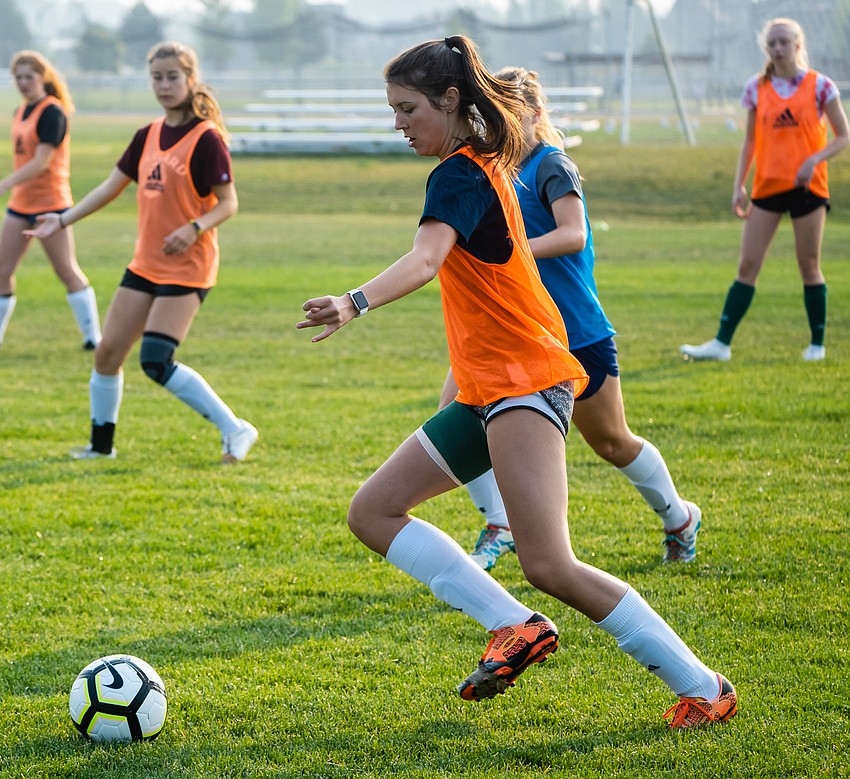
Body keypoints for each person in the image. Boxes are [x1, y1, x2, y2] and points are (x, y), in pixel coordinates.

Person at [297, 36, 735, 728]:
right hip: (487, 389)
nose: (399, 124)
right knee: (373, 510)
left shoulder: (460, 174)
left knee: (552, 564)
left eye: (408, 109)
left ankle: (706, 685)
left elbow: (424, 257)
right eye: (392, 110)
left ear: (450, 101)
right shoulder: (480, 160)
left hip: (525, 381)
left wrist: (354, 301)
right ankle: (515, 625)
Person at [439, 67, 699, 571]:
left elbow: (573, 233)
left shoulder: (550, 164)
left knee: (610, 441)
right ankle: (500, 523)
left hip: (573, 331)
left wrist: (510, 254)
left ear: (535, 114)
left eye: (512, 112)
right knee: (453, 412)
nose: (501, 124)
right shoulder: (489, 166)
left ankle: (679, 517)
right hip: (511, 331)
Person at [25, 42, 257, 463]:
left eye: (172, 77)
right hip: (146, 264)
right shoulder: (147, 135)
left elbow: (229, 203)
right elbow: (108, 188)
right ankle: (101, 448)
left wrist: (194, 228)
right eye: (157, 77)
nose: (164, 85)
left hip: (188, 267)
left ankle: (235, 429)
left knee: (155, 359)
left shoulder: (205, 139)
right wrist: (60, 220)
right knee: (108, 352)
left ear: (190, 80)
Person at [681, 17, 848, 362]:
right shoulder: (756, 88)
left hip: (807, 187)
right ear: (766, 47)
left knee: (808, 264)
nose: (778, 48)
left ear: (798, 46)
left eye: (785, 42)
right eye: (772, 43)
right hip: (767, 187)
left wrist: (813, 160)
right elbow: (750, 143)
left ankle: (817, 344)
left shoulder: (821, 86)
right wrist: (738, 185)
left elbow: (843, 136)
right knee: (747, 266)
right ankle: (721, 344)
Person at [0, 50, 102, 354]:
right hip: (21, 204)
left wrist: (2, 185)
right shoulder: (20, 112)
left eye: (28, 77)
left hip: (51, 204)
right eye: (18, 77)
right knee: (1, 267)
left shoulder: (52, 112)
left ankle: (94, 338)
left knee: (66, 270)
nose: (22, 83)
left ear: (43, 77)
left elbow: (41, 162)